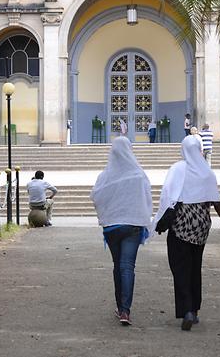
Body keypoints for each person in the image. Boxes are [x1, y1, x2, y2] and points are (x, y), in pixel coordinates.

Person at [153, 135, 220, 331]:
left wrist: (158, 221)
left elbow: (167, 196)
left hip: (181, 227)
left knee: (180, 268)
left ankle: (187, 310)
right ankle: (194, 309)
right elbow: (217, 203)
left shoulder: (178, 169)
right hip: (201, 228)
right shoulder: (206, 172)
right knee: (195, 267)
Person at [90, 137, 153, 326]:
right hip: (133, 225)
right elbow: (147, 198)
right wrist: (142, 218)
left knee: (118, 266)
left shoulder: (105, 176)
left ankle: (120, 306)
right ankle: (125, 310)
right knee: (127, 267)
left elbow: (95, 196)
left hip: (112, 227)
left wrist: (108, 213)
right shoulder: (138, 174)